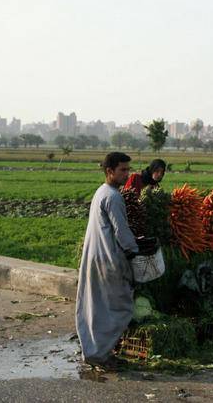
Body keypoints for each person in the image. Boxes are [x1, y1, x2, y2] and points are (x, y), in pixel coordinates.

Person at [76, 152, 138, 370]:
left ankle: (98, 352)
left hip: (95, 255)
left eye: (128, 169)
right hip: (108, 259)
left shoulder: (101, 192)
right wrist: (134, 251)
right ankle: (100, 355)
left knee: (98, 307)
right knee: (119, 306)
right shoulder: (113, 196)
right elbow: (122, 231)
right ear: (109, 171)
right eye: (123, 170)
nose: (127, 174)